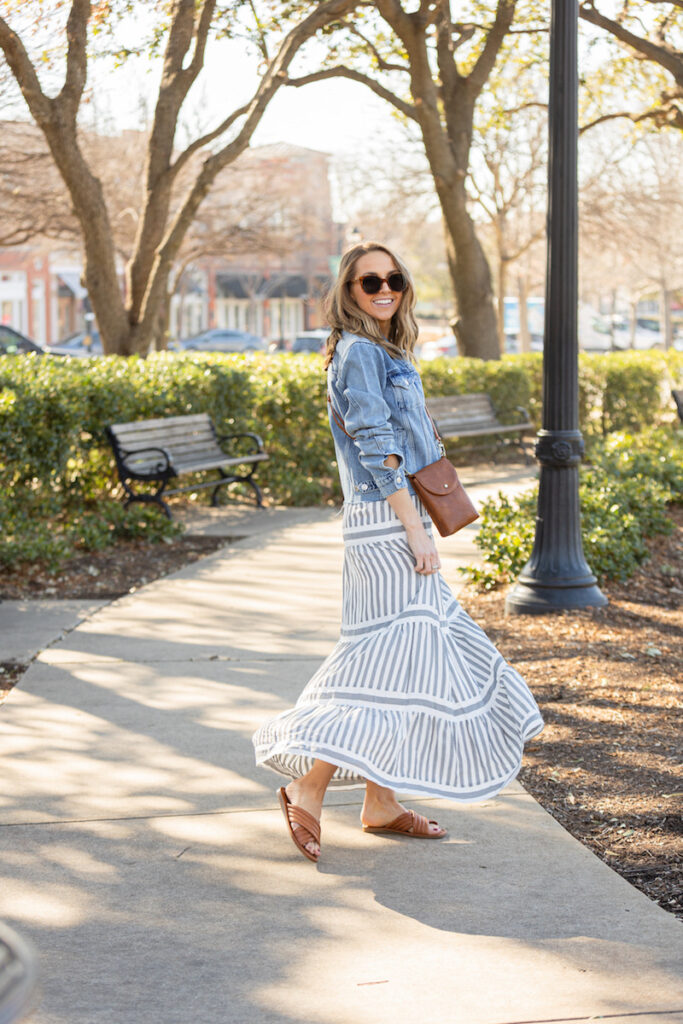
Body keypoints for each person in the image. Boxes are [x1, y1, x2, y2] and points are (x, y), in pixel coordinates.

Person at [252, 241, 544, 863]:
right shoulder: (359, 352)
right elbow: (376, 447)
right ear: (348, 292)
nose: (384, 288)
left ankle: (379, 803)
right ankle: (308, 785)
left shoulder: (385, 349)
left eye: (394, 278)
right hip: (386, 522)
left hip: (390, 520)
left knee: (402, 661)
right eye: (368, 281)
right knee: (384, 661)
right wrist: (413, 528)